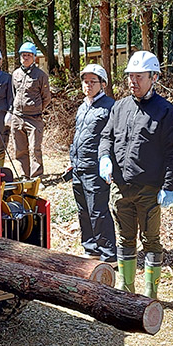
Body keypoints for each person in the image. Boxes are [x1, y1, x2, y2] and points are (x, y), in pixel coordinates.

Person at [99, 50, 173, 299]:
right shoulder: (120, 106)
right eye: (130, 76)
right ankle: (126, 289)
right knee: (124, 239)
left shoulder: (165, 111)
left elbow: (171, 152)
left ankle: (150, 293)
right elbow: (107, 137)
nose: (133, 82)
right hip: (121, 187)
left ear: (153, 77)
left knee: (151, 240)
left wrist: (168, 186)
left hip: (149, 189)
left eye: (139, 77)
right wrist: (104, 157)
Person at [69, 63, 116, 262]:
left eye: (93, 82)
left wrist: (109, 163)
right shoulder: (82, 107)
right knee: (84, 211)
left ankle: (108, 254)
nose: (88, 85)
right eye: (85, 82)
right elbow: (79, 136)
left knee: (98, 212)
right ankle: (91, 250)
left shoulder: (110, 107)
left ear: (102, 84)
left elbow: (114, 138)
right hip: (78, 168)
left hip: (95, 169)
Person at [10, 42, 51, 179]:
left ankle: (36, 177)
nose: (25, 58)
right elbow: (13, 94)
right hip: (17, 117)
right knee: (20, 149)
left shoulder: (40, 75)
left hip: (34, 118)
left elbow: (46, 98)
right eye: (23, 55)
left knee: (35, 148)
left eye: (28, 55)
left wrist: (36, 109)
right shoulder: (15, 74)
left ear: (34, 57)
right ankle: (24, 175)